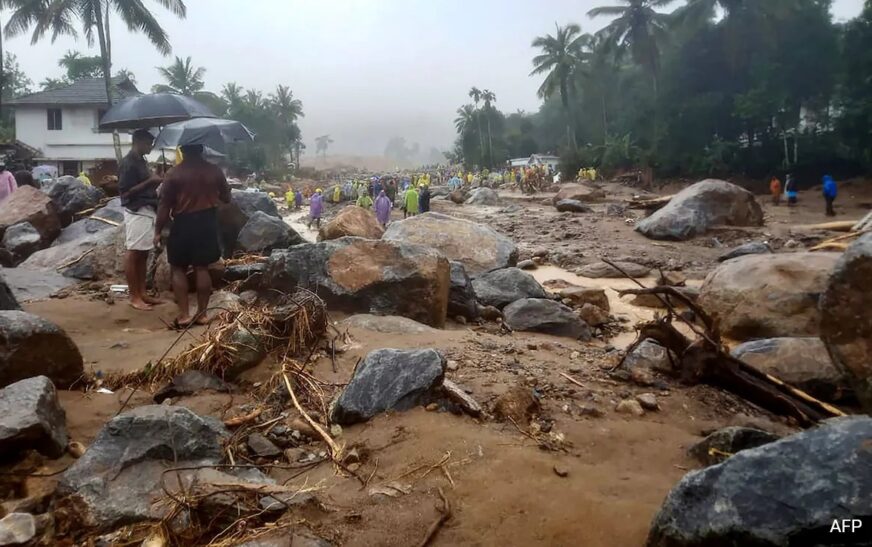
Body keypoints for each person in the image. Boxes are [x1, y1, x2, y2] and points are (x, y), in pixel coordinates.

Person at [154, 144, 231, 328]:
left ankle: (184, 315)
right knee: (202, 268)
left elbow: (165, 205)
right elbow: (227, 198)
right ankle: (202, 315)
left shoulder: (174, 173)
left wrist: (157, 231)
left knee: (178, 268)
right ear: (202, 150)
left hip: (183, 222)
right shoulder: (215, 171)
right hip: (207, 223)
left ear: (183, 151)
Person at [119, 130, 163, 311]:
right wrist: (150, 181)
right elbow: (125, 192)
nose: (150, 146)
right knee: (134, 252)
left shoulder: (141, 161)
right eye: (147, 143)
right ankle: (134, 296)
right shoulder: (128, 162)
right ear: (137, 141)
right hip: (136, 210)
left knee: (143, 253)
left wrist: (155, 180)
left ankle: (142, 292)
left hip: (147, 209)